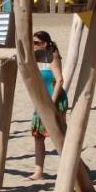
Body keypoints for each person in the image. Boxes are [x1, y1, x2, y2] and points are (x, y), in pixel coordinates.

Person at [29, 31, 67, 181]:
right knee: (38, 136)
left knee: (60, 135)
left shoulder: (53, 57)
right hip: (41, 100)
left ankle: (73, 167)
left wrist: (52, 101)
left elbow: (59, 80)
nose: (33, 46)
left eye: (36, 43)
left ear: (45, 44)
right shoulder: (36, 57)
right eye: (32, 43)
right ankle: (38, 172)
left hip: (54, 100)